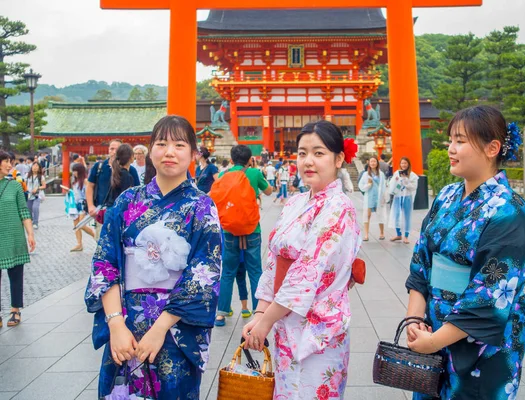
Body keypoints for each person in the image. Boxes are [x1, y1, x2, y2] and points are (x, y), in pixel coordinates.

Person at [405, 106, 525, 400]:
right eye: (451, 140)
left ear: (492, 148)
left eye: (461, 141)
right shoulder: (445, 196)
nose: (451, 149)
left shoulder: (511, 212)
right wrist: (415, 322)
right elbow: (421, 265)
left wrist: (433, 341)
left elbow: (489, 297)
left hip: (484, 345)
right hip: (432, 330)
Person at [84, 115, 222, 398]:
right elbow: (104, 263)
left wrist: (160, 329)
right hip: (125, 325)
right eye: (161, 143)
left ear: (193, 153)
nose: (169, 152)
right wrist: (115, 323)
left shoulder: (202, 207)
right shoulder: (126, 202)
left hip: (174, 330)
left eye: (179, 145)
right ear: (150, 149)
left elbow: (204, 274)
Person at [243, 120, 361, 399]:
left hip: (318, 327)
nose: (308, 161)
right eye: (302, 152)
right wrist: (261, 312)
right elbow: (274, 261)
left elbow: (306, 272)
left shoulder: (339, 208)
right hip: (285, 320)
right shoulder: (296, 202)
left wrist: (265, 322)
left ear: (339, 158)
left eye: (319, 153)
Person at [215, 145, 273, 326]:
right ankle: (258, 311)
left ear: (231, 159)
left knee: (227, 272)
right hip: (252, 229)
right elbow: (269, 191)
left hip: (230, 230)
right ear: (250, 159)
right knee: (255, 271)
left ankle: (221, 313)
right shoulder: (255, 174)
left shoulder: (223, 175)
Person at [0, 150, 36, 327]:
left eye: (10, 162)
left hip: (13, 235)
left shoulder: (14, 185)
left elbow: (23, 211)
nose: (9, 165)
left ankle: (15, 309)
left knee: (15, 274)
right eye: (6, 162)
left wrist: (30, 233)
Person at [87, 139, 140, 240]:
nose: (114, 151)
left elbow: (137, 190)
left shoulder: (130, 170)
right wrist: (90, 206)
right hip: (102, 211)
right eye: (111, 148)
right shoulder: (99, 167)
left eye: (117, 149)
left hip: (117, 214)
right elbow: (90, 186)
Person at [388, 157, 419, 244]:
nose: (403, 165)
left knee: (407, 216)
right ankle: (398, 234)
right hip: (398, 197)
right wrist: (397, 181)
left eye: (405, 163)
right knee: (397, 215)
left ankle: (406, 236)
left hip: (407, 197)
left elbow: (414, 187)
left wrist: (406, 180)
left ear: (408, 164)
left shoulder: (412, 175)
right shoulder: (396, 173)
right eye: (402, 163)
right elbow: (392, 185)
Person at [358, 157, 387, 241]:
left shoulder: (381, 174)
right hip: (370, 197)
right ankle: (366, 234)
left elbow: (384, 186)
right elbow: (361, 186)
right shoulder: (365, 174)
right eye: (371, 161)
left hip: (379, 197)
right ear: (369, 163)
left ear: (377, 163)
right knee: (367, 215)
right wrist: (368, 185)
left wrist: (384, 197)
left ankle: (382, 233)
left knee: (380, 215)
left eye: (374, 161)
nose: (373, 163)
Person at [70, 163, 95, 252]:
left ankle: (96, 237)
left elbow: (88, 193)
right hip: (75, 205)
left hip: (83, 205)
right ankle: (79, 244)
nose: (74, 173)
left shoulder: (85, 181)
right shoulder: (75, 182)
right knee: (76, 225)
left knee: (81, 224)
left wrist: (87, 206)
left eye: (75, 171)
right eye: (73, 171)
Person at [25, 161, 46, 230]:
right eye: (34, 165)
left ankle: (35, 223)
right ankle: (30, 221)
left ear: (39, 168)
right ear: (31, 167)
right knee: (29, 209)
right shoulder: (27, 175)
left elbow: (44, 186)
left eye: (37, 166)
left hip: (37, 195)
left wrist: (37, 188)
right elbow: (24, 184)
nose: (35, 167)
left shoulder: (41, 177)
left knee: (35, 208)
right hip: (29, 195)